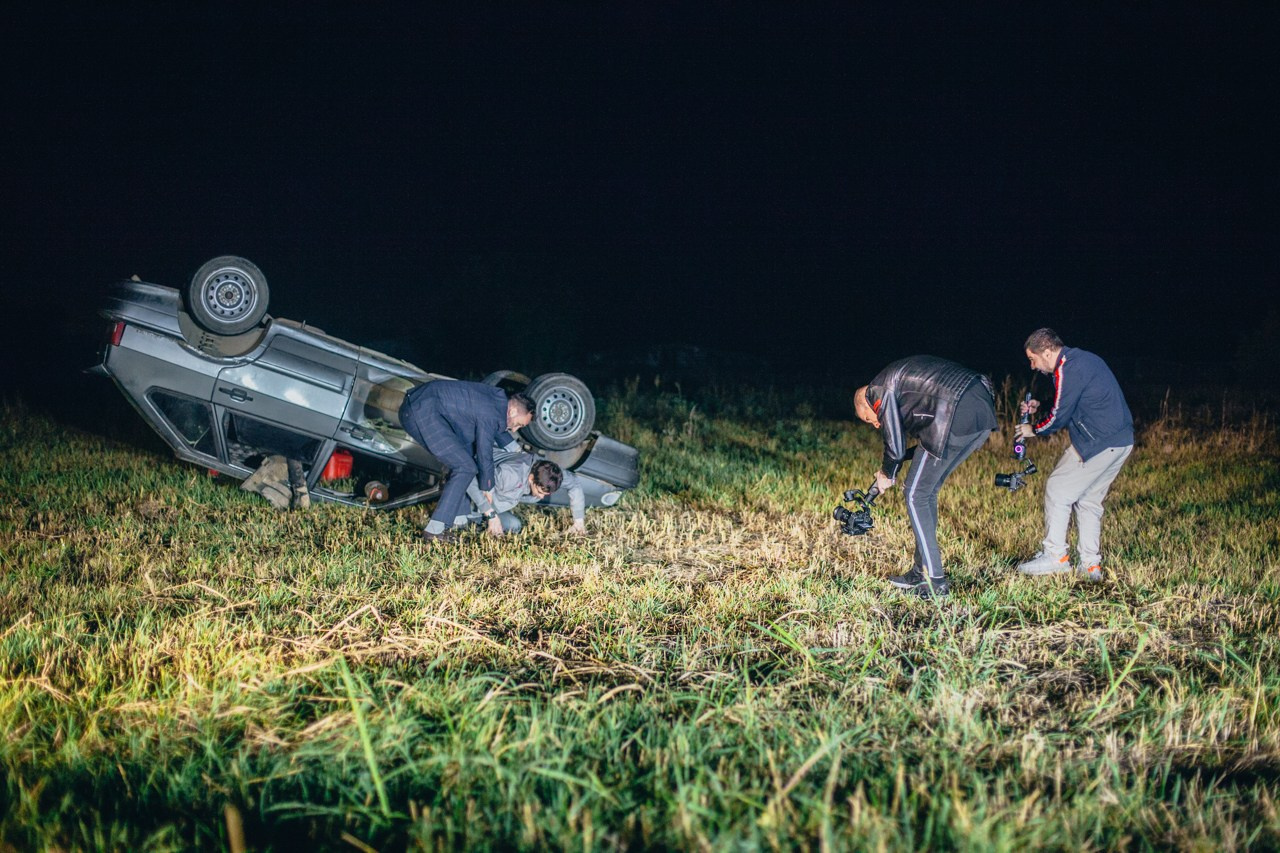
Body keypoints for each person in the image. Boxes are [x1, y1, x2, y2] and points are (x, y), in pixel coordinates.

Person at [853, 356, 998, 598]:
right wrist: (893, 466)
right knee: (926, 492)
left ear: (866, 403)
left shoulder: (878, 390)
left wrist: (886, 474)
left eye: (869, 419)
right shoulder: (899, 390)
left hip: (954, 413)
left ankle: (935, 581)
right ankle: (920, 571)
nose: (875, 425)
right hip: (980, 412)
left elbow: (895, 448)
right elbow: (910, 450)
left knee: (915, 494)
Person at [1014, 328, 1133, 581]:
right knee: (1088, 501)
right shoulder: (1078, 361)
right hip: (1121, 441)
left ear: (1047, 352)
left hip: (1098, 442)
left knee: (1057, 488)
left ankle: (1055, 557)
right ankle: (1090, 567)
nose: (1033, 366)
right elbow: (1068, 401)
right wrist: (1040, 406)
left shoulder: (1070, 367)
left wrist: (1032, 429)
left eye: (1033, 359)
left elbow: (1059, 417)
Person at [398, 379, 535, 543]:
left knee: (465, 460)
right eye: (518, 424)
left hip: (425, 407)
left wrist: (518, 451)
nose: (514, 429)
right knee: (465, 467)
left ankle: (458, 521)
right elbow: (484, 452)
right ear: (512, 411)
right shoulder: (492, 412)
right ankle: (434, 531)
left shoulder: (498, 403)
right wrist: (488, 486)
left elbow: (497, 430)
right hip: (421, 410)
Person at [458, 454, 587, 536]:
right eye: (540, 492)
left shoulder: (550, 474)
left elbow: (574, 483)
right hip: (466, 500)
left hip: (492, 507)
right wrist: (490, 514)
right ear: (531, 478)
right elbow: (469, 479)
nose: (541, 497)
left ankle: (480, 523)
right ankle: (469, 520)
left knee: (514, 526)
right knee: (458, 526)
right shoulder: (510, 474)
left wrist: (579, 522)